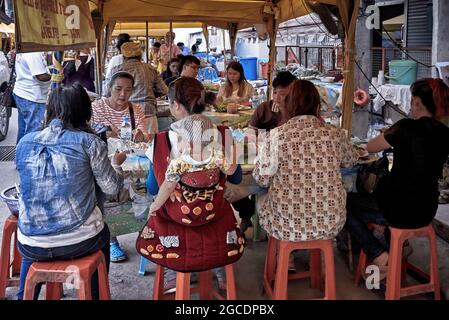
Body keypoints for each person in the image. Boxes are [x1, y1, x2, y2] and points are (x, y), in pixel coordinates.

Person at [15, 84, 125, 300]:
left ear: (50, 111)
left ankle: (23, 296)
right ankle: (95, 295)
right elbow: (112, 188)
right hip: (80, 241)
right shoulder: (90, 142)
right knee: (104, 234)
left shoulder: (24, 143)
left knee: (35, 235)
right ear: (85, 111)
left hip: (31, 244)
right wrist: (116, 164)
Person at [145, 77, 242, 294]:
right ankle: (220, 268)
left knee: (158, 208)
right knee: (223, 208)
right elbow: (235, 178)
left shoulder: (161, 140)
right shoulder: (223, 134)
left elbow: (153, 187)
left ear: (175, 105)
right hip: (214, 217)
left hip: (176, 222)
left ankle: (174, 270)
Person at [345, 78, 449, 276]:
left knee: (343, 204)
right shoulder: (445, 133)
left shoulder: (406, 127)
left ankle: (378, 253)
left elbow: (371, 147)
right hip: (427, 210)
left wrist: (391, 135)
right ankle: (399, 247)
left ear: (417, 102)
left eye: (412, 100)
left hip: (398, 210)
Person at [253, 79, 358, 242]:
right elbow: (351, 159)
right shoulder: (335, 134)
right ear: (317, 105)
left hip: (285, 225)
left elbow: (262, 179)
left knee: (261, 196)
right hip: (331, 223)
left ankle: (287, 259)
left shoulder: (276, 136)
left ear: (287, 105)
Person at [92, 71, 151, 262]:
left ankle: (144, 231)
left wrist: (141, 136)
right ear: (109, 88)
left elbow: (142, 134)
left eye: (127, 90)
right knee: (109, 199)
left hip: (131, 160)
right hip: (106, 162)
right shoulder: (97, 107)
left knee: (142, 192)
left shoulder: (135, 110)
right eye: (118, 89)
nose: (122, 95)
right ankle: (112, 241)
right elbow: (93, 134)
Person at [119, 41, 168, 134]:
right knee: (150, 145)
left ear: (124, 57)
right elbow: (164, 90)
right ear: (140, 56)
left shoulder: (117, 70)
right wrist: (153, 92)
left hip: (125, 114)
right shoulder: (150, 69)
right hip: (147, 112)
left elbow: (107, 93)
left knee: (126, 144)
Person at [13, 52, 51, 143]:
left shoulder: (24, 50)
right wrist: (53, 76)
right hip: (32, 97)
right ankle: (28, 155)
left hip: (23, 94)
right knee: (33, 133)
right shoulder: (33, 53)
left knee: (24, 130)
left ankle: (21, 155)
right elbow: (41, 76)